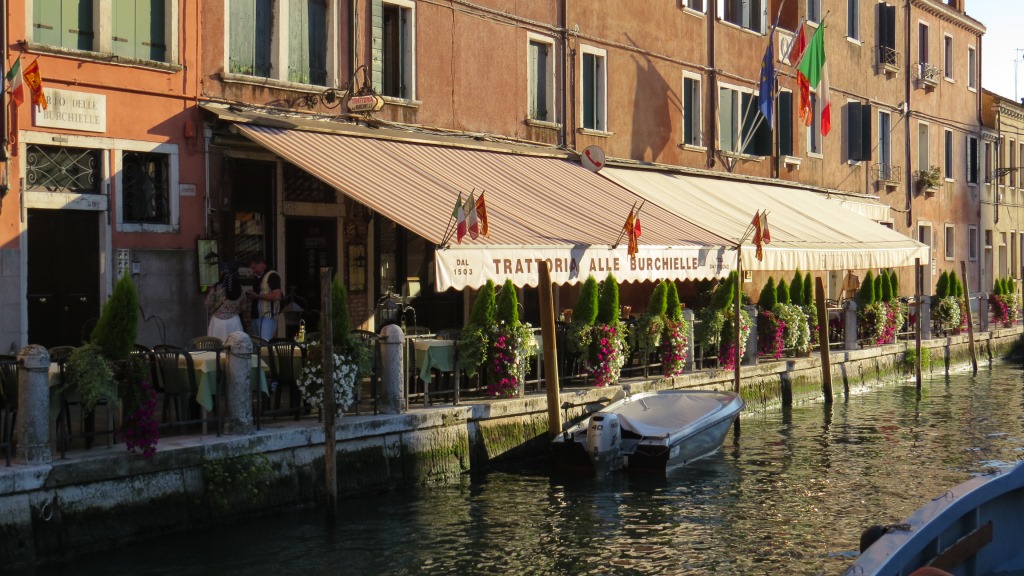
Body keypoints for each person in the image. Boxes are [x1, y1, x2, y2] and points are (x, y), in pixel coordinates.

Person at [206, 262, 245, 340]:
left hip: (217, 322)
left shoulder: (216, 288)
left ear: (224, 273)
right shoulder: (240, 289)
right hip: (234, 321)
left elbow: (208, 304)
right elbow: (243, 307)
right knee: (235, 345)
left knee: (217, 345)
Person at [247, 256, 283, 341]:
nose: (253, 271)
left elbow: (277, 295)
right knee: (257, 343)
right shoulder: (257, 277)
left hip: (267, 315)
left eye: (254, 268)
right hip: (256, 315)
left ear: (261, 263)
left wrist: (257, 296)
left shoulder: (272, 275)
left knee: (265, 343)